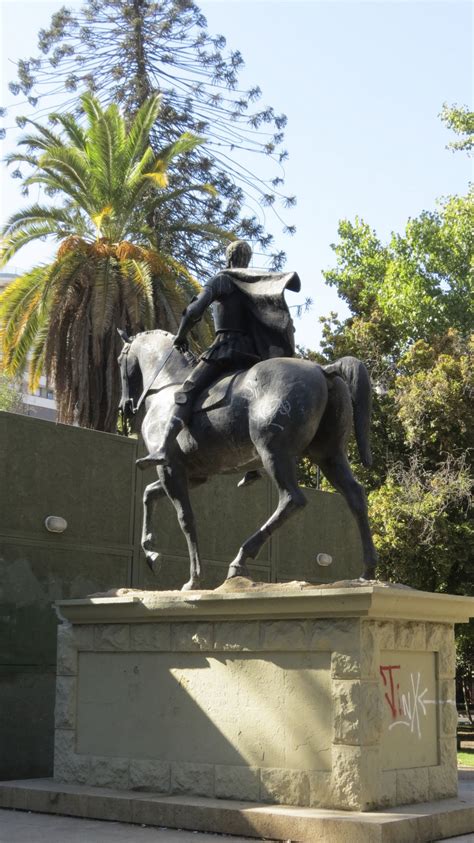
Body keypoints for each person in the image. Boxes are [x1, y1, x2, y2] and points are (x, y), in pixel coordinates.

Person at [137, 240, 300, 468]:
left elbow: (194, 310)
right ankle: (256, 467)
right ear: (247, 259)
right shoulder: (252, 282)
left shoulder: (223, 279)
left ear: (229, 258)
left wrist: (181, 334)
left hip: (226, 349)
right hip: (253, 354)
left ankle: (162, 448)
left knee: (187, 389)